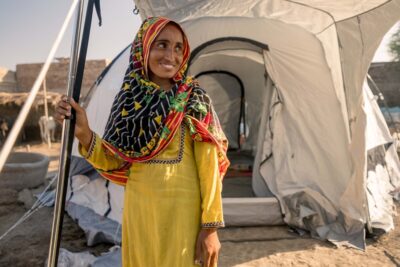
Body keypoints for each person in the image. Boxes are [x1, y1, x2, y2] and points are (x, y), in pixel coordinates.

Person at [55, 16, 229, 267]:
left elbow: (209, 168)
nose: (171, 54)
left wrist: (210, 227)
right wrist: (84, 132)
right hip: (139, 212)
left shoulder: (193, 99)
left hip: (182, 214)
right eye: (162, 45)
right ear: (143, 48)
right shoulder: (127, 102)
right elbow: (113, 161)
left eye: (178, 47)